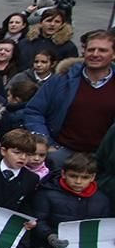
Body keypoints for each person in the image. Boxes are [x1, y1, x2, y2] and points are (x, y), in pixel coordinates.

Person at [24, 30, 115, 168]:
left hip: (101, 159)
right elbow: (34, 111)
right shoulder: (61, 80)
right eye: (91, 49)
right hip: (60, 153)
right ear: (84, 52)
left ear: (113, 54)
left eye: (102, 50)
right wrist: (45, 142)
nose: (95, 54)